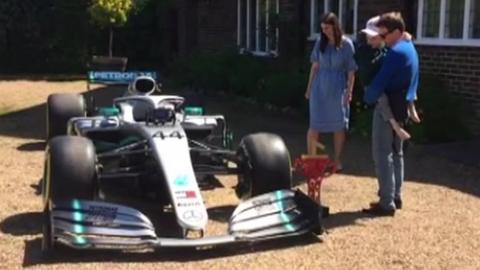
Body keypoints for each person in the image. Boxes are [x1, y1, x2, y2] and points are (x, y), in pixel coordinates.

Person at [362, 12, 419, 216]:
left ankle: (386, 202)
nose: (383, 39)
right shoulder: (408, 46)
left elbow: (380, 82)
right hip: (402, 104)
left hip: (388, 106)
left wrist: (368, 96)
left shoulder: (395, 53)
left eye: (384, 35)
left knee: (382, 153)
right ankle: (396, 196)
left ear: (396, 32)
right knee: (397, 152)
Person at [305, 12, 357, 170]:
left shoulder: (346, 44)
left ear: (335, 26)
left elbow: (351, 71)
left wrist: (349, 91)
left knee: (338, 126)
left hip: (337, 87)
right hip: (319, 87)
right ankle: (312, 160)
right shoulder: (320, 42)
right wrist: (308, 88)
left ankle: (337, 160)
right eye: (322, 29)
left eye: (327, 28)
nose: (325, 31)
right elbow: (314, 67)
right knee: (314, 124)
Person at [356, 16, 420, 141]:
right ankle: (396, 127)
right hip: (371, 84)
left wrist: (406, 37)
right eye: (368, 38)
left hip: (383, 85)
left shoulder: (388, 49)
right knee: (383, 102)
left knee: (411, 80)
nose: (370, 42)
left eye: (374, 38)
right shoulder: (364, 50)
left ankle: (412, 106)